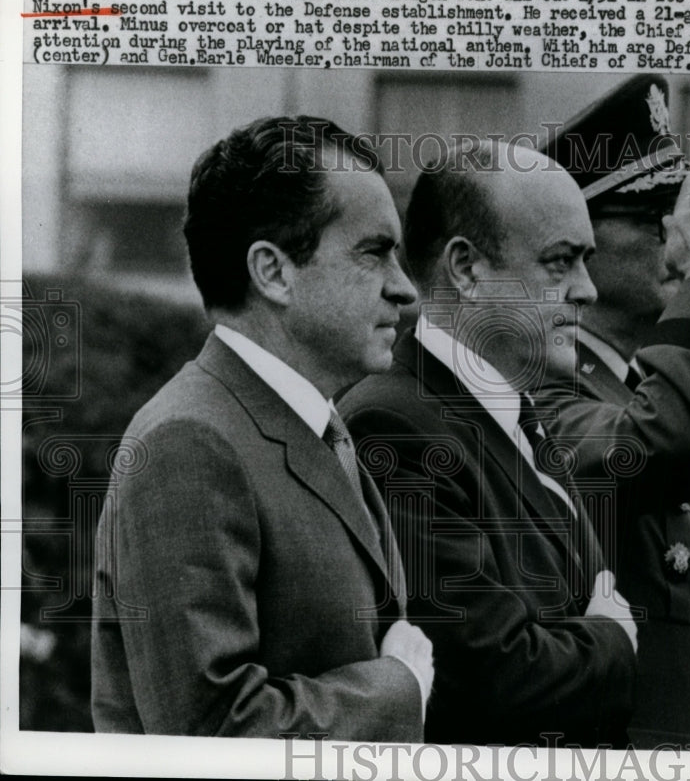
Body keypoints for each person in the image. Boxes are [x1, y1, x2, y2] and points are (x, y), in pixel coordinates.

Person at [90, 116, 434, 739]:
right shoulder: (188, 441)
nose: (405, 288)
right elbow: (211, 732)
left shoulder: (313, 424)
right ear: (273, 272)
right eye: (374, 252)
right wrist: (398, 689)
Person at [338, 141, 638, 747]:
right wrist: (614, 640)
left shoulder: (514, 415)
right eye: (560, 262)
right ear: (467, 269)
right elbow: (487, 676)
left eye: (587, 261)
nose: (587, 291)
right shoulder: (394, 425)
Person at [535, 75, 690, 750]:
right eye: (655, 221)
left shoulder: (634, 386)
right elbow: (656, 444)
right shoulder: (539, 389)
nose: (678, 241)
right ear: (576, 243)